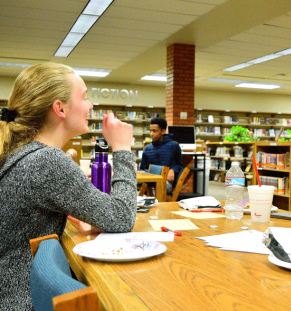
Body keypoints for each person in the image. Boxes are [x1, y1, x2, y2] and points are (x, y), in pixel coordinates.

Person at [0, 62, 137, 310]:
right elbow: (121, 217)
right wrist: (123, 149)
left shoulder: (20, 152)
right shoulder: (46, 161)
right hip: (22, 299)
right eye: (84, 97)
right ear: (60, 108)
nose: (90, 105)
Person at [140, 118, 183, 194]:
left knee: (161, 186)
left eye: (154, 131)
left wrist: (173, 170)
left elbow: (179, 164)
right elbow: (142, 168)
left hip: (166, 182)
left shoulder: (174, 146)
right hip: (150, 180)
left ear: (163, 131)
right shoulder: (147, 148)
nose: (151, 134)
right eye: (150, 131)